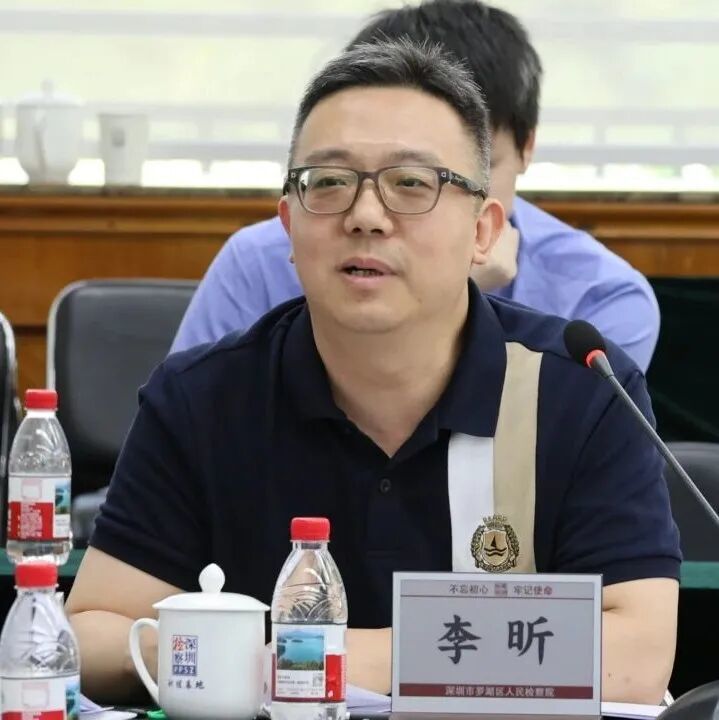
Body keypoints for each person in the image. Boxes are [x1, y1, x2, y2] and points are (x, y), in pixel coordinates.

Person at [66, 40, 679, 706]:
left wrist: (296, 657)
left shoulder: (581, 390)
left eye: (411, 183)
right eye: (328, 182)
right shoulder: (201, 397)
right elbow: (90, 633)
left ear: (482, 232)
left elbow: (635, 656)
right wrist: (224, 652)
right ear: (288, 225)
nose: (364, 216)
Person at [170, 0, 660, 372]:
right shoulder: (256, 261)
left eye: (417, 179)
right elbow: (199, 439)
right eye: (338, 178)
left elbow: (547, 462)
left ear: (527, 147)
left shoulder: (602, 299)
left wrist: (459, 300)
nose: (370, 214)